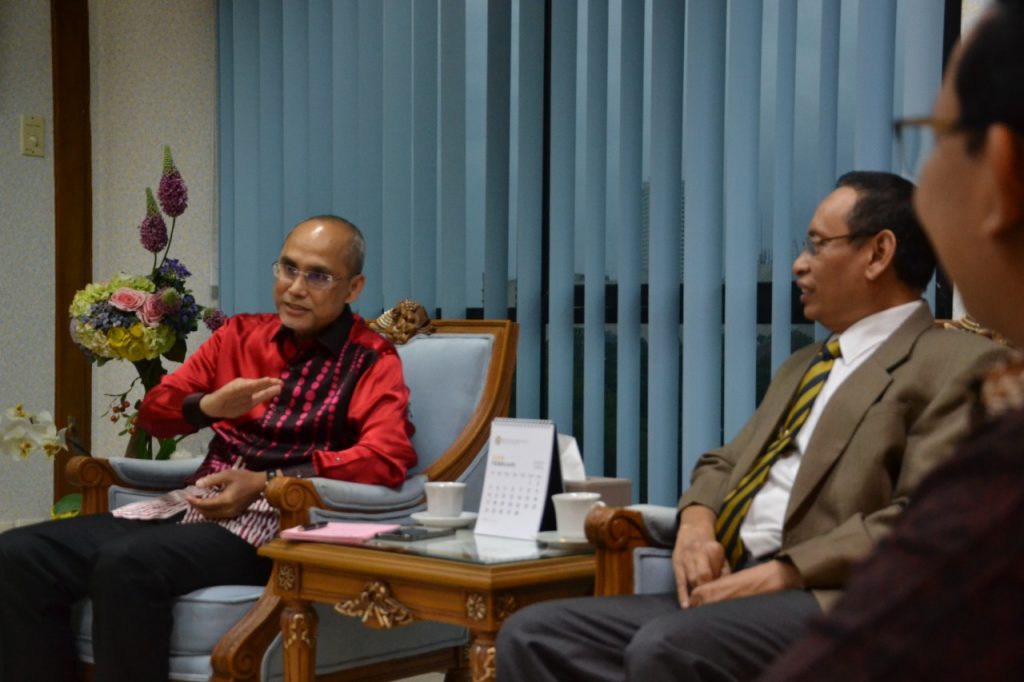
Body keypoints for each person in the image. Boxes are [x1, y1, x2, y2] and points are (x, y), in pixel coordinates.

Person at [497, 172, 1010, 682]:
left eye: (817, 245)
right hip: (735, 585)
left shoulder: (959, 364)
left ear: (878, 253)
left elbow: (926, 521)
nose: (798, 264)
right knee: (532, 634)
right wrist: (696, 526)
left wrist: (783, 571)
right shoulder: (805, 365)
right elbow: (724, 462)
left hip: (836, 597)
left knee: (669, 648)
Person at [0, 215, 417, 681]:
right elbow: (155, 413)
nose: (296, 288)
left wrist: (268, 482)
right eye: (288, 268)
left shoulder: (370, 359)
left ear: (353, 287)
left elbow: (386, 458)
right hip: (194, 506)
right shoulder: (240, 335)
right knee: (19, 554)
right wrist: (209, 405)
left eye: (317, 275)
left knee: (128, 564)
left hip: (278, 526)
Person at [761, 3, 1024, 679]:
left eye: (934, 138)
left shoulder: (997, 432)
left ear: (1001, 171)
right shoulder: (803, 364)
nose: (799, 263)